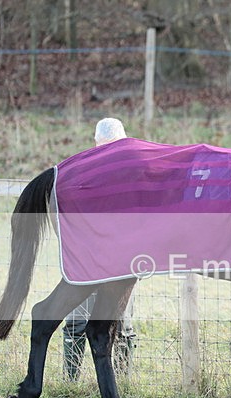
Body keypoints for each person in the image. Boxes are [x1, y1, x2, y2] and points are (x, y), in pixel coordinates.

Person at [63, 118, 137, 381]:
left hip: (120, 262)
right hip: (86, 259)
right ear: (96, 144)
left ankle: (121, 383)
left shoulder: (132, 177)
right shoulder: (82, 172)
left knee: (121, 324)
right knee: (76, 322)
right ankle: (71, 384)